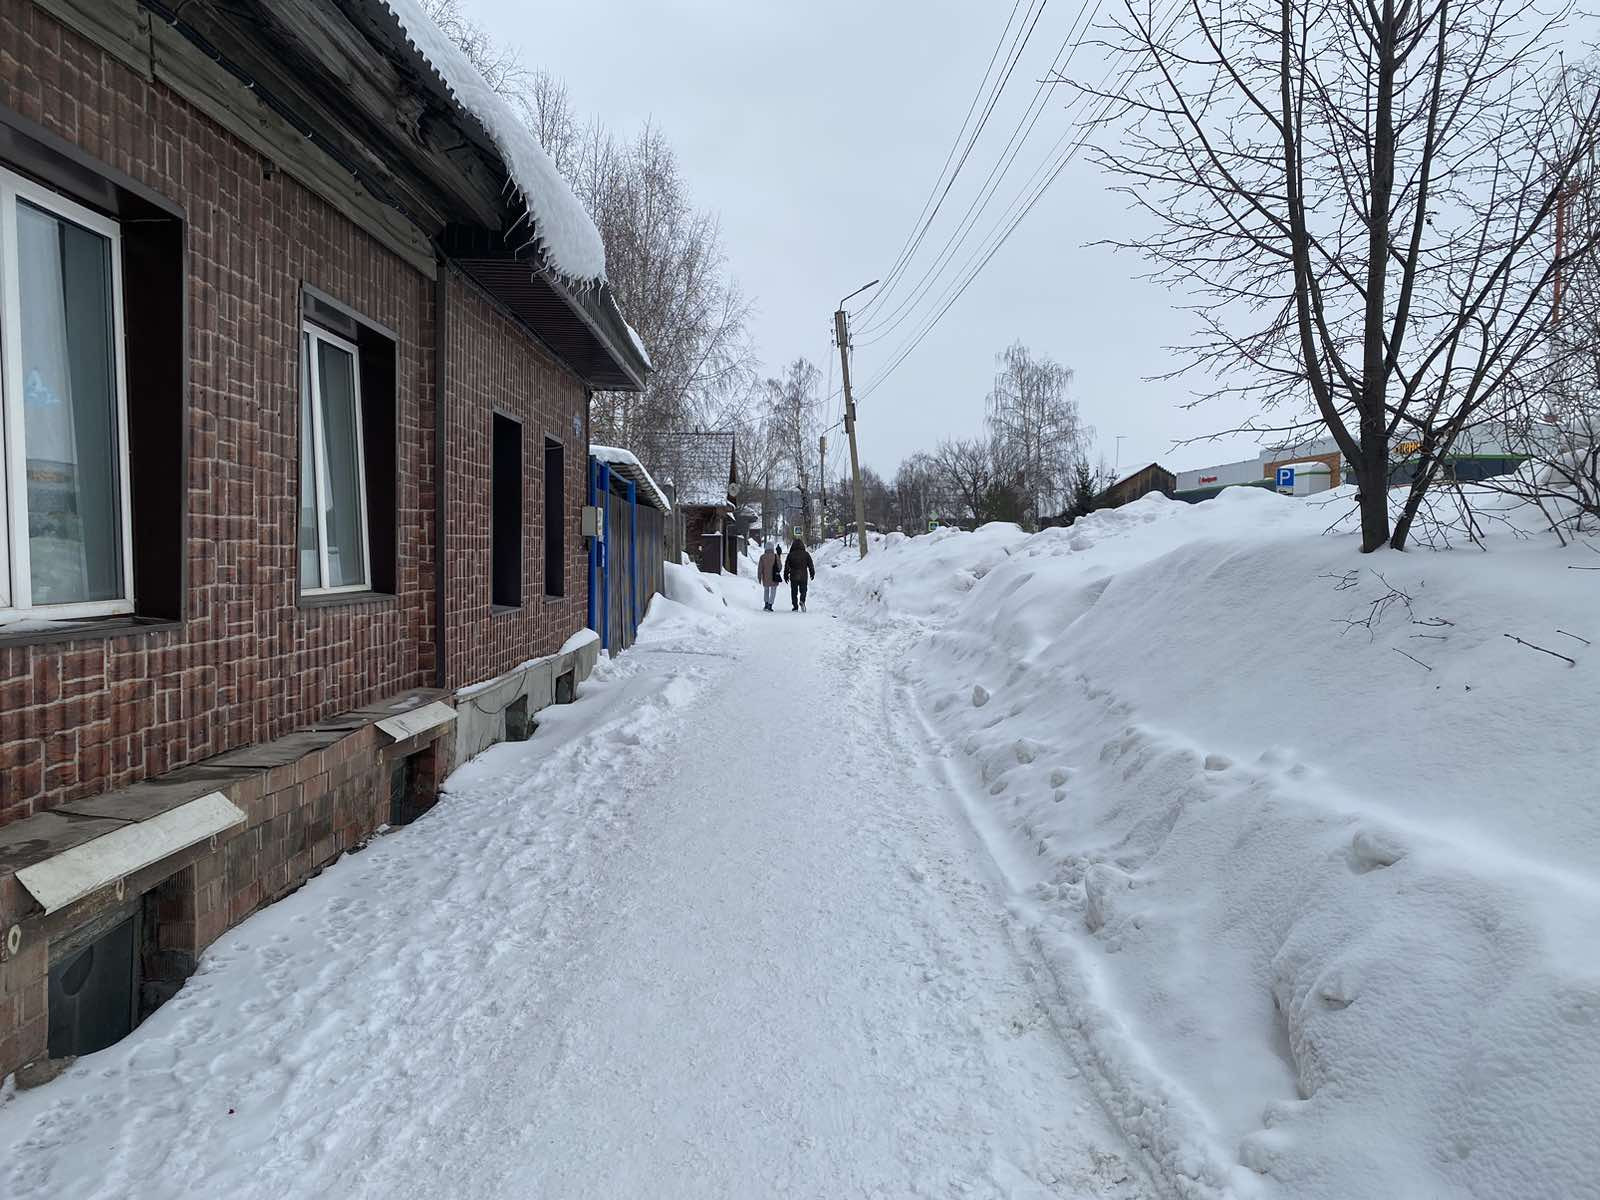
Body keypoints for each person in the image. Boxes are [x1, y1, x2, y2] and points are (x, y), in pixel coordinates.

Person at [784, 535, 815, 612]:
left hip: (793, 575)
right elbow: (810, 564)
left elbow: (787, 566)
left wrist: (786, 575)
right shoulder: (806, 554)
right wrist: (812, 573)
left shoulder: (790, 555)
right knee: (803, 590)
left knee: (794, 592)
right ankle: (802, 601)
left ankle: (795, 606)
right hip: (803, 575)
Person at [757, 542, 781, 611]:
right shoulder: (776, 556)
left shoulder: (762, 557)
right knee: (773, 590)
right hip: (774, 576)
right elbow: (780, 566)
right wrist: (777, 571)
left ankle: (766, 604)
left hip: (765, 577)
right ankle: (770, 605)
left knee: (766, 590)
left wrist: (759, 576)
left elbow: (760, 568)